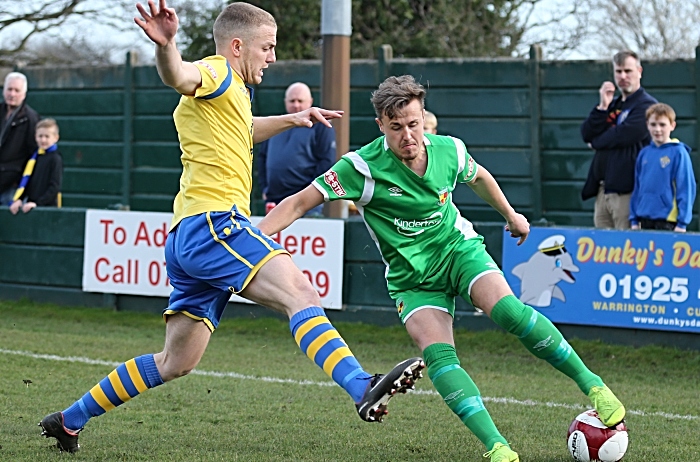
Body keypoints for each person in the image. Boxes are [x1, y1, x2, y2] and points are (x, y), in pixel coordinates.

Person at [38, 0, 424, 454]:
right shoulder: (218, 72)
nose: (273, 57)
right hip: (215, 223)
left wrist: (294, 119)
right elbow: (179, 75)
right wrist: (167, 46)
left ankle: (68, 420)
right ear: (238, 45)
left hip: (187, 234)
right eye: (268, 47)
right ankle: (361, 386)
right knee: (300, 293)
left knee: (175, 361)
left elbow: (244, 128)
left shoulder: (232, 95)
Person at [257, 75, 627, 462]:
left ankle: (594, 385)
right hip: (412, 280)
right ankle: (497, 448)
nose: (408, 136)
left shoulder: (449, 150)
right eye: (396, 127)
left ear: (423, 118)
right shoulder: (360, 167)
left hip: (458, 250)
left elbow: (479, 176)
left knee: (508, 312)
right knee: (440, 358)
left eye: (414, 124)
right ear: (381, 125)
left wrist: (512, 215)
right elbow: (299, 203)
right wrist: (255, 237)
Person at [580, 50, 657, 230]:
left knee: (626, 248)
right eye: (618, 71)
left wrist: (596, 143)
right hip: (603, 189)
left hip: (627, 191)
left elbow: (623, 135)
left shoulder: (646, 106)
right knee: (601, 248)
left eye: (628, 71)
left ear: (639, 71)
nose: (623, 76)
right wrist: (602, 106)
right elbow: (586, 132)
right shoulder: (613, 105)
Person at [258, 82, 336, 217]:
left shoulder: (320, 126)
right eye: (292, 101)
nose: (296, 105)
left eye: (300, 101)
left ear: (310, 102)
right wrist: (265, 187)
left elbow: (326, 161)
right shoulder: (276, 123)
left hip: (305, 203)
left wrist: (310, 192)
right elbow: (262, 156)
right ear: (285, 102)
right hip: (274, 199)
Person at [630, 103, 696, 232]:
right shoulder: (644, 153)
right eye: (653, 124)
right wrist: (634, 219)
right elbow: (638, 187)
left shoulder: (679, 153)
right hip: (644, 218)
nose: (657, 129)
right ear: (647, 125)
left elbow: (686, 188)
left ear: (672, 126)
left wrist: (682, 222)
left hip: (668, 220)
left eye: (662, 125)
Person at [0, 72, 40, 205]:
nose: (12, 94)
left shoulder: (31, 119)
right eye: (9, 89)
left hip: (12, 186)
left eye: (17, 90)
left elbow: (34, 156)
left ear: (24, 94)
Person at [9, 118, 63, 214]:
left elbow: (54, 187)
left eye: (47, 136)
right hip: (30, 206)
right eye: (40, 136)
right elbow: (27, 181)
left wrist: (38, 203)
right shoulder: (34, 158)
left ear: (56, 138)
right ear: (35, 137)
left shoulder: (55, 159)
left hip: (48, 208)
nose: (43, 140)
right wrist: (19, 199)